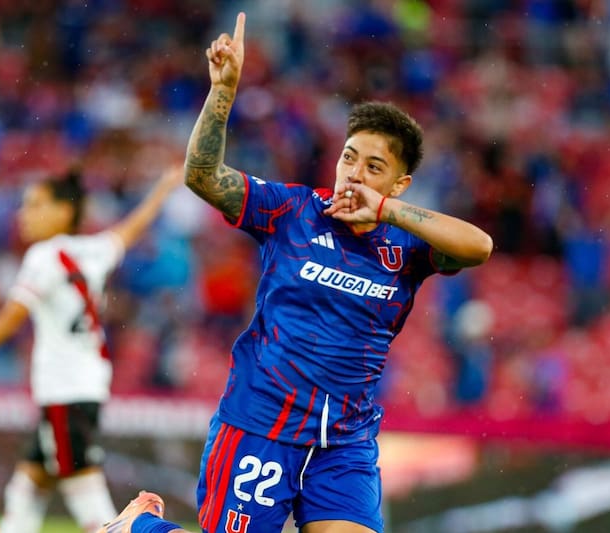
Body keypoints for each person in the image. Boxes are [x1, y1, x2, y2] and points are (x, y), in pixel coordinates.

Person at [105, 11, 492, 533]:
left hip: (344, 442)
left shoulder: (409, 243)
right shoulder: (292, 210)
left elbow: (480, 247)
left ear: (399, 185)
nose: (354, 173)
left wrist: (388, 213)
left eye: (374, 168)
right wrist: (222, 93)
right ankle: (136, 529)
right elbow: (202, 177)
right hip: (261, 425)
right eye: (349, 157)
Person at [0, 164, 183, 533]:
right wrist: (163, 189)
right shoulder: (94, 250)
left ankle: (125, 530)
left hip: (63, 387)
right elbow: (131, 228)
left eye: (34, 205)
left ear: (63, 211)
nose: (23, 214)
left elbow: (12, 315)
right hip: (86, 382)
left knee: (84, 488)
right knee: (29, 484)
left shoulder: (43, 256)